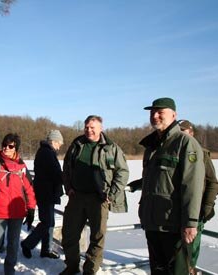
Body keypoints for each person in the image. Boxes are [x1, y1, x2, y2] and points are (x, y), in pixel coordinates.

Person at [138, 98, 205, 274]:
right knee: (158, 271)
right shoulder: (151, 145)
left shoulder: (185, 143)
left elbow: (192, 185)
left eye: (160, 112)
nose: (155, 115)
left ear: (174, 115)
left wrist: (190, 222)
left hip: (174, 226)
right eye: (152, 112)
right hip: (153, 223)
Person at [60, 115, 129, 275]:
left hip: (99, 199)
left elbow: (122, 172)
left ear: (100, 128)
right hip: (76, 197)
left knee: (97, 238)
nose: (89, 130)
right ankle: (71, 266)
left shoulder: (111, 148)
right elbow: (67, 168)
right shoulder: (77, 144)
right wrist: (68, 187)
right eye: (86, 127)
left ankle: (90, 270)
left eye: (92, 127)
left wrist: (111, 194)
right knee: (69, 234)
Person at [0, 133, 37, 275]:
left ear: (15, 148)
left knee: (13, 245)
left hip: (16, 213)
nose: (6, 148)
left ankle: (9, 271)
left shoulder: (22, 167)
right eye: (4, 145)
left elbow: (29, 189)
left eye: (10, 146)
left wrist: (31, 209)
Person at [178, 120, 218, 274]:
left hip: (195, 211)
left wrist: (206, 207)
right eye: (178, 130)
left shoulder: (201, 153)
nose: (181, 133)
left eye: (184, 130)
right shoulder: (174, 150)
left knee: (190, 252)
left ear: (191, 133)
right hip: (175, 211)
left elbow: (213, 183)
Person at [21, 130, 64, 259]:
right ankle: (28, 244)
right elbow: (55, 173)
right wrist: (66, 178)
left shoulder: (47, 152)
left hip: (46, 192)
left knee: (49, 222)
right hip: (45, 193)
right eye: (59, 143)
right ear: (54, 141)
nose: (60, 145)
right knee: (47, 222)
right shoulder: (46, 153)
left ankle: (46, 249)